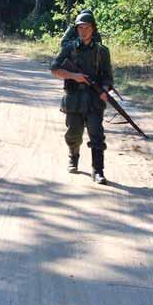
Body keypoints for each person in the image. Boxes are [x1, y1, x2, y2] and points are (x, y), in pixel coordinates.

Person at [50, 11, 113, 185]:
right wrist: (73, 76)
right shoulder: (69, 48)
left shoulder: (102, 52)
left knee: (97, 135)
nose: (83, 30)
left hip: (94, 100)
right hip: (74, 98)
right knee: (73, 134)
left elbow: (108, 77)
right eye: (80, 27)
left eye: (86, 27)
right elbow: (54, 69)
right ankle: (73, 155)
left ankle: (98, 171)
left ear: (93, 28)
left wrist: (104, 90)